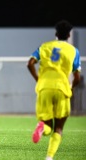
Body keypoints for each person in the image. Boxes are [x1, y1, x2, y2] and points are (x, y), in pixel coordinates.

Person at [27, 20, 81, 160]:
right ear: (69, 35)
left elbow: (30, 63)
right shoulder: (74, 51)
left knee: (47, 126)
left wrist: (38, 79)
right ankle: (49, 157)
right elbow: (77, 77)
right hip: (62, 89)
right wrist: (71, 87)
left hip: (44, 88)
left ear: (56, 33)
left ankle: (42, 128)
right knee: (58, 128)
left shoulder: (44, 46)